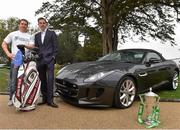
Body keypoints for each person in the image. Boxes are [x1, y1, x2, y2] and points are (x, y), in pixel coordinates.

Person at [1, 19, 34, 106]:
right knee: (13, 80)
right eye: (22, 24)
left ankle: (22, 98)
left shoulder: (30, 36)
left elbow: (32, 46)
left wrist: (24, 45)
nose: (23, 25)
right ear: (19, 25)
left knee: (25, 80)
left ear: (27, 26)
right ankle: (11, 98)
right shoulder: (13, 34)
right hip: (15, 61)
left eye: (25, 24)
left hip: (26, 61)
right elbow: (4, 44)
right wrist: (8, 53)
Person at [35, 17, 58, 108]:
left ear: (46, 24)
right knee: (43, 80)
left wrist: (53, 57)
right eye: (40, 23)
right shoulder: (36, 36)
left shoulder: (52, 33)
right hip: (40, 61)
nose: (42, 24)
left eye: (44, 23)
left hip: (50, 60)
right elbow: (36, 48)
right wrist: (37, 57)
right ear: (38, 25)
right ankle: (44, 99)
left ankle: (50, 100)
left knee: (50, 80)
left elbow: (55, 47)